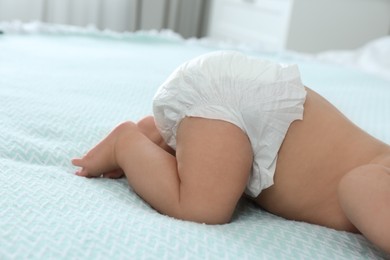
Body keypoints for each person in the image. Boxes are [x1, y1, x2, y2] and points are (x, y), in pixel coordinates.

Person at [72, 51, 390, 253]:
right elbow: (357, 186)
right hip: (236, 105)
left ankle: (165, 137)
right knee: (203, 208)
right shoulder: (379, 172)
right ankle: (126, 144)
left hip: (245, 111)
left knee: (218, 168)